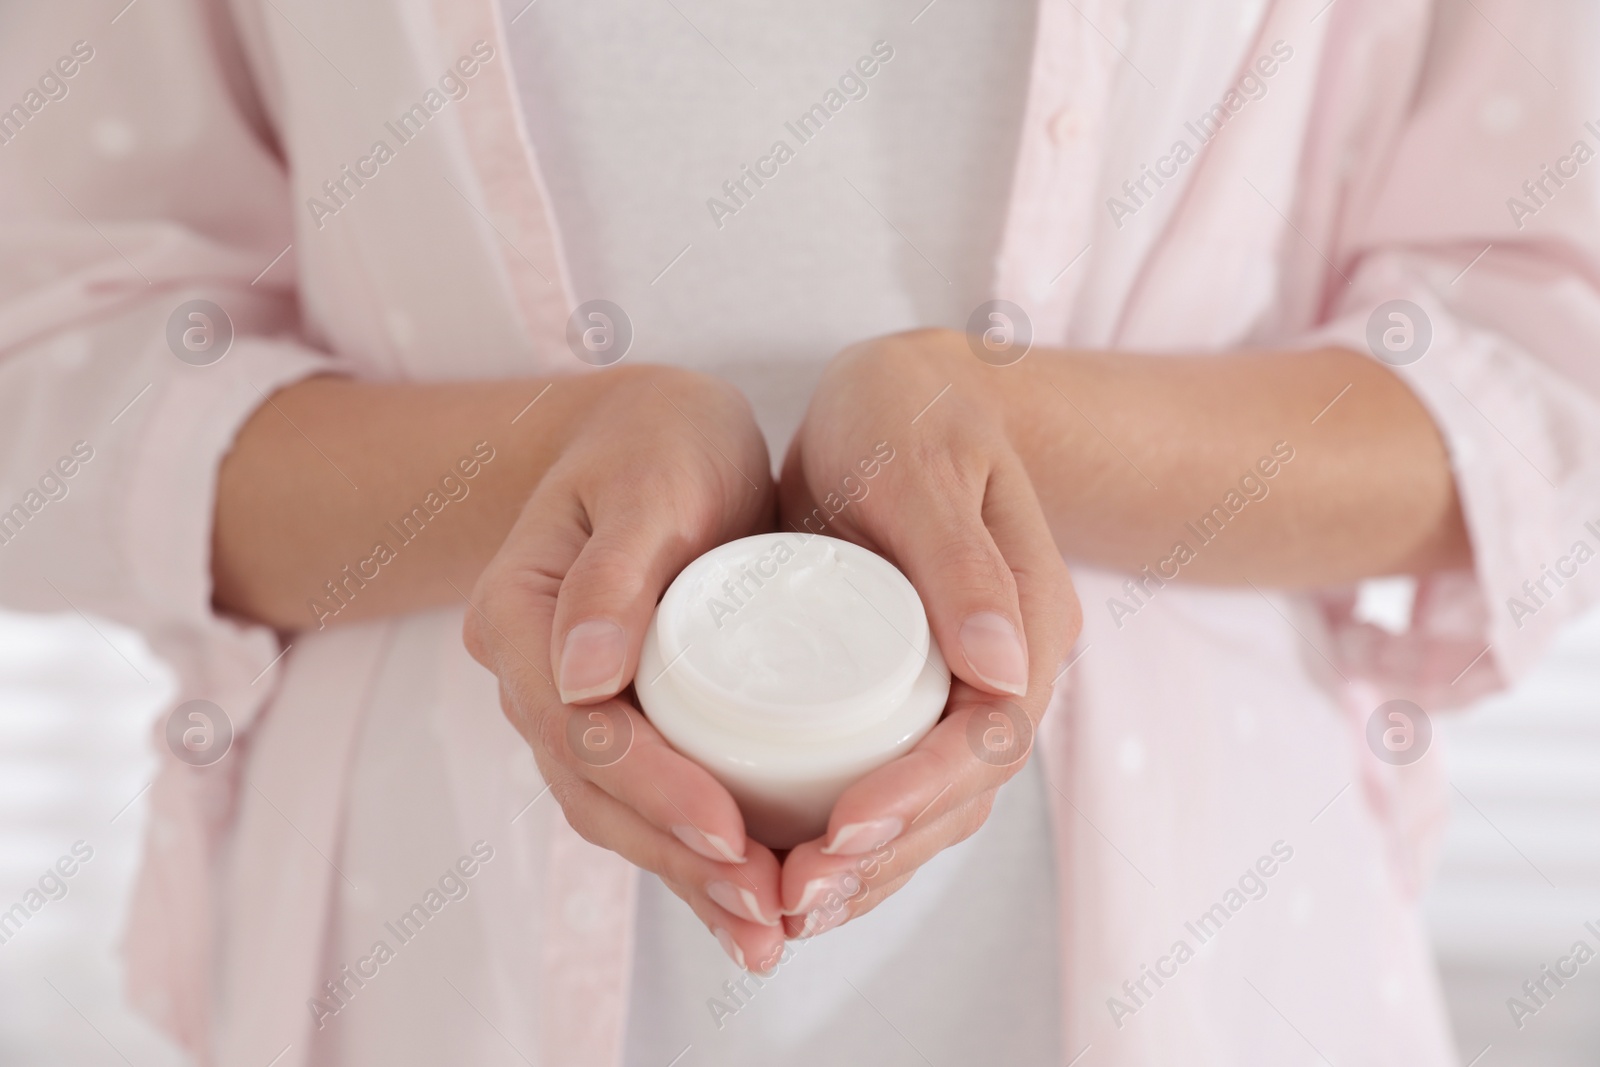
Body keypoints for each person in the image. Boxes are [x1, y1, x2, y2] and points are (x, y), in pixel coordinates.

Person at [2, 1, 1597, 1064]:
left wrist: (996, 433)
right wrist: (552, 464)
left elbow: (1550, 354)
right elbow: (55, 362)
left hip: (1231, 957)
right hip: (425, 965)